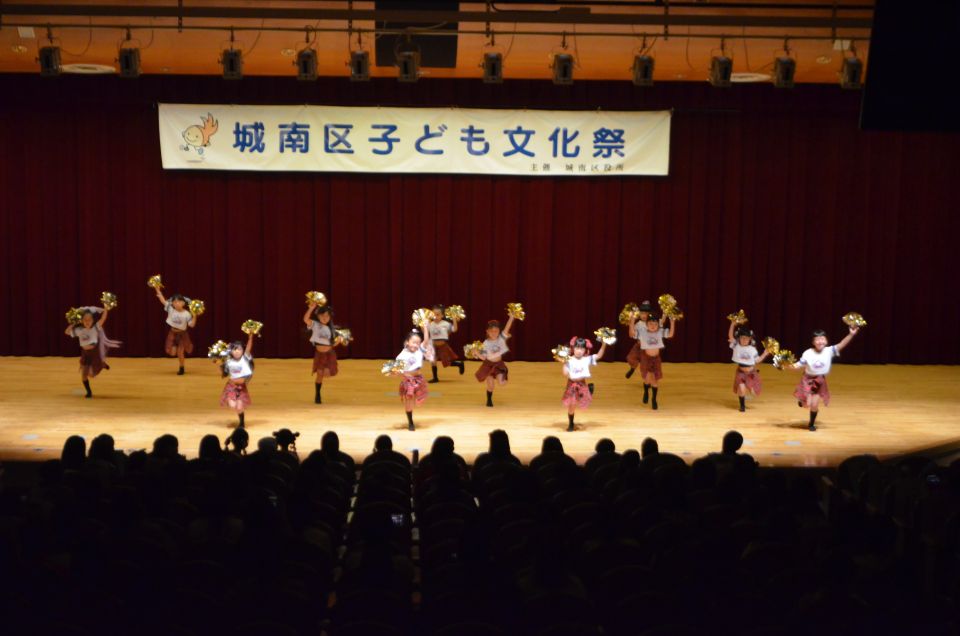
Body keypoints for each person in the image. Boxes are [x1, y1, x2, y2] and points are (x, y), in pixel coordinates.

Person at [791, 325, 859, 431]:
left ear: (826, 341)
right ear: (813, 342)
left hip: (820, 381)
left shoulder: (829, 351)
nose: (820, 341)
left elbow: (842, 344)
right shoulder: (808, 353)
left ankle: (811, 424)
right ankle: (802, 400)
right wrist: (786, 365)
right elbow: (798, 365)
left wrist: (851, 334)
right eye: (817, 339)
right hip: (807, 380)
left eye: (822, 339)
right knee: (806, 404)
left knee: (814, 405)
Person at [64, 305, 120, 398]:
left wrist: (106, 308)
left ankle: (102, 364)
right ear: (81, 321)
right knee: (84, 375)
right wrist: (74, 323)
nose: (87, 322)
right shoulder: (79, 330)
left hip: (94, 353)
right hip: (85, 354)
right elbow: (66, 332)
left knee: (95, 370)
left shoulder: (95, 328)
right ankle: (89, 392)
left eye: (89, 320)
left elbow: (103, 318)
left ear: (93, 320)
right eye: (85, 320)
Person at [561, 336, 608, 431]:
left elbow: (599, 355)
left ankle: (588, 391)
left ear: (585, 350)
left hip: (582, 383)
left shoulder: (586, 359)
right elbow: (565, 373)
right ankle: (571, 423)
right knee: (572, 405)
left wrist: (604, 344)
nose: (579, 351)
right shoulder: (569, 359)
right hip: (572, 385)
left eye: (582, 349)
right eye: (577, 348)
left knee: (583, 398)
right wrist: (564, 364)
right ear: (573, 348)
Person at [727, 319, 772, 412]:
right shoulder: (736, 345)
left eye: (747, 338)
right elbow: (730, 336)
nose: (744, 340)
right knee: (741, 388)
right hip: (741, 372)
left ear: (750, 339)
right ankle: (742, 405)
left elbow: (757, 360)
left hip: (751, 373)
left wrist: (765, 354)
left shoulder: (752, 349)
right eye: (742, 338)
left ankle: (748, 391)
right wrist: (732, 324)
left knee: (754, 392)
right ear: (739, 338)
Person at [396, 327, 434, 431]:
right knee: (409, 401)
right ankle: (410, 422)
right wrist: (403, 374)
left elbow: (426, 340)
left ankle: (416, 400)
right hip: (408, 381)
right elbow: (397, 371)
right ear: (407, 342)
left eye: (418, 343)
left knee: (419, 398)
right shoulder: (402, 355)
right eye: (413, 342)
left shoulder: (419, 350)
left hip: (419, 379)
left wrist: (425, 328)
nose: (416, 345)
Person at [635, 313, 677, 410]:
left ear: (658, 325)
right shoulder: (643, 332)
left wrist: (672, 322)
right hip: (646, 358)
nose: (653, 326)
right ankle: (646, 391)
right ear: (646, 325)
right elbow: (632, 333)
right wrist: (632, 320)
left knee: (654, 380)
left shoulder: (660, 332)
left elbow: (670, 334)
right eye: (650, 324)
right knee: (648, 379)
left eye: (655, 324)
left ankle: (654, 399)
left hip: (656, 359)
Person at [475, 314, 517, 407]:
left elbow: (507, 328)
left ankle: (504, 374)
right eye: (491, 331)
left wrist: (511, 317)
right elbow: (484, 358)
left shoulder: (501, 338)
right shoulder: (485, 343)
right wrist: (477, 353)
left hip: (498, 365)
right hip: (488, 365)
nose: (494, 333)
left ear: (499, 331)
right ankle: (489, 399)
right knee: (491, 386)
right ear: (487, 332)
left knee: (502, 383)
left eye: (496, 331)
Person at [154, 288, 197, 375]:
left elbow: (192, 325)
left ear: (183, 303)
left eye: (179, 301)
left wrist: (195, 316)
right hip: (172, 333)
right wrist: (157, 289)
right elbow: (162, 300)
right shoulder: (171, 309)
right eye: (175, 302)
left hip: (182, 334)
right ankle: (176, 350)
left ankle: (181, 368)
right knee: (173, 353)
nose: (177, 303)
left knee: (180, 352)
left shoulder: (187, 314)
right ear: (172, 303)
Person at [220, 332, 255, 428]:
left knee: (239, 407)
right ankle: (231, 400)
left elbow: (248, 347)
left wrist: (250, 338)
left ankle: (242, 422)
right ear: (231, 351)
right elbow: (223, 371)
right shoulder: (229, 360)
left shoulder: (244, 359)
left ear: (243, 351)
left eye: (239, 349)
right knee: (232, 405)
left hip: (241, 387)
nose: (236, 351)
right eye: (234, 349)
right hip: (231, 386)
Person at [427, 304, 465, 383]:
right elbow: (425, 331)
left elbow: (454, 329)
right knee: (433, 361)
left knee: (446, 362)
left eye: (438, 315)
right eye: (434, 315)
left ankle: (459, 364)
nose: (435, 316)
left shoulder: (446, 324)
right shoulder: (430, 324)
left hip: (442, 346)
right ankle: (435, 378)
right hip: (433, 346)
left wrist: (454, 320)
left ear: (442, 315)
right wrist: (421, 324)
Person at [624, 300, 656, 379]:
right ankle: (632, 368)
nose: (644, 315)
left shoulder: (652, 323)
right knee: (632, 358)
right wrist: (631, 322)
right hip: (638, 345)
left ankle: (647, 380)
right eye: (642, 313)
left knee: (646, 364)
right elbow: (632, 334)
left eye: (646, 313)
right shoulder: (638, 324)